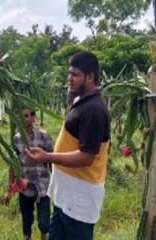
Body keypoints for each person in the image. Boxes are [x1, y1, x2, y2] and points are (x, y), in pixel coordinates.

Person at [25, 51, 110, 240]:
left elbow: (87, 157)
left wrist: (47, 157)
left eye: (75, 75)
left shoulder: (94, 110)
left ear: (90, 77)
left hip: (80, 198)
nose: (69, 79)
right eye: (69, 73)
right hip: (66, 195)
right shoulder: (81, 100)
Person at [4, 107, 54, 240]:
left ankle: (44, 236)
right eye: (21, 116)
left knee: (44, 223)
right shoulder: (16, 138)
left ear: (33, 118)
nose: (23, 119)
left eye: (26, 116)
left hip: (43, 186)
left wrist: (55, 183)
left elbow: (51, 160)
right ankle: (27, 237)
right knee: (27, 220)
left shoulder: (44, 135)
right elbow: (13, 164)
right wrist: (9, 189)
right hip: (25, 186)